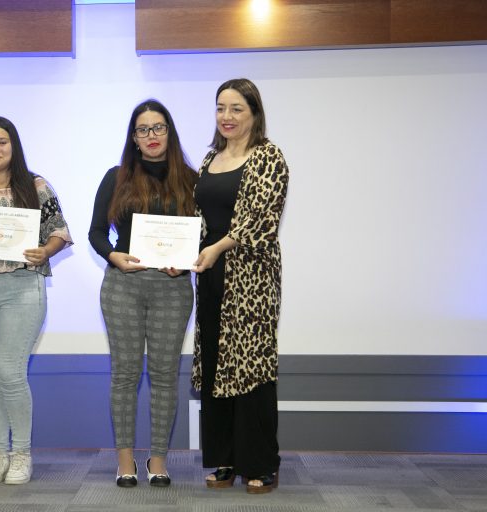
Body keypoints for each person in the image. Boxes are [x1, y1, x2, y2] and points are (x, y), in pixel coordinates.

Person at [0, 116, 73, 485]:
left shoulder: (35, 186)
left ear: (13, 146)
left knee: (10, 372)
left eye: (2, 142)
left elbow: (59, 231)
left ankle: (21, 453)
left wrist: (46, 250)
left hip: (21, 288)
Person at [88, 99, 197, 487]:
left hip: (173, 288)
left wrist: (187, 262)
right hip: (124, 286)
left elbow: (203, 236)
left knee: (165, 376)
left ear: (170, 132)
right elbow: (95, 233)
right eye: (143, 129)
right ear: (133, 137)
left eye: (158, 127)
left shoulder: (191, 179)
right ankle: (124, 460)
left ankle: (158, 460)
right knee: (125, 375)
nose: (151, 135)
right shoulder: (116, 177)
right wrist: (112, 255)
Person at [192, 78, 289, 494]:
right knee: (217, 362)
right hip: (211, 275)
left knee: (251, 368)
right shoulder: (209, 158)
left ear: (254, 113)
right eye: (221, 108)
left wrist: (217, 248)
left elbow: (261, 219)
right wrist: (185, 252)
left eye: (236, 109)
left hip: (251, 277)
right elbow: (198, 217)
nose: (226, 116)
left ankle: (261, 463)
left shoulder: (269, 156)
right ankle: (226, 459)